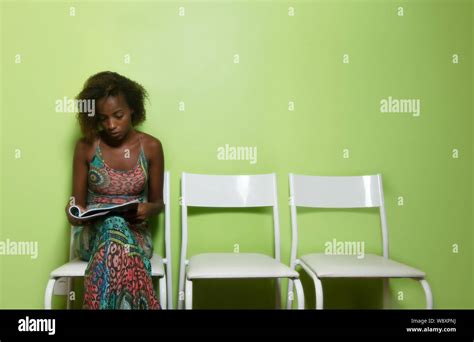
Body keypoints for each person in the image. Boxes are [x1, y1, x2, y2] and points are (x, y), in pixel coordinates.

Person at [65, 71, 164, 309]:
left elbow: (159, 203)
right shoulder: (85, 147)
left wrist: (146, 209)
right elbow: (76, 205)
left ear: (132, 109)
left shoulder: (151, 147)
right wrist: (73, 212)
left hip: (135, 235)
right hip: (92, 237)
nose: (111, 125)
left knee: (117, 229)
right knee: (112, 226)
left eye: (118, 115)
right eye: (103, 119)